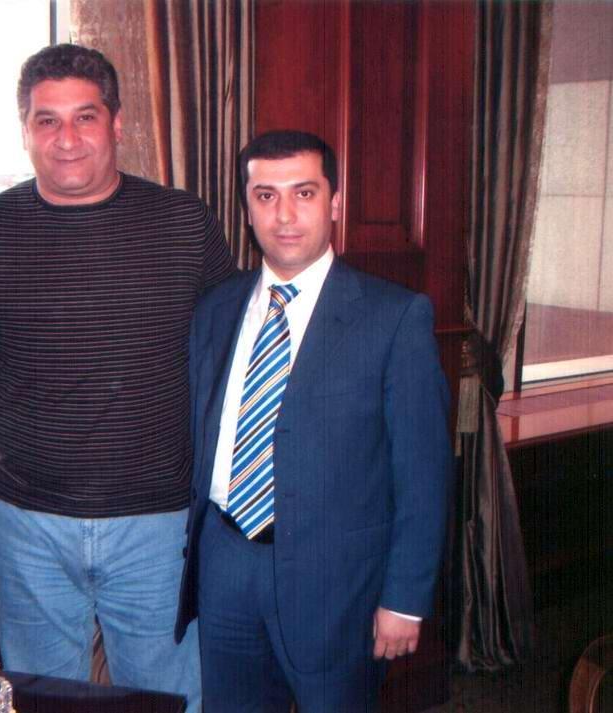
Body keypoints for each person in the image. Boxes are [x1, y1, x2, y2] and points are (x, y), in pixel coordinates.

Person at [0, 44, 235, 710]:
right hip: (27, 523)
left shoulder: (184, 223)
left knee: (168, 700)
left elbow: (224, 347)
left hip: (158, 522)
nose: (66, 139)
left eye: (85, 117)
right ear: (24, 129)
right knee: (44, 700)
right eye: (46, 120)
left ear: (117, 123)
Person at [176, 130, 453, 712]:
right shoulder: (215, 309)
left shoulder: (393, 316)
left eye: (303, 193)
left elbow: (423, 475)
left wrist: (405, 598)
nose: (284, 215)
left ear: (334, 203)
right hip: (225, 562)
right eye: (266, 195)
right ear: (246, 208)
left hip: (338, 579)